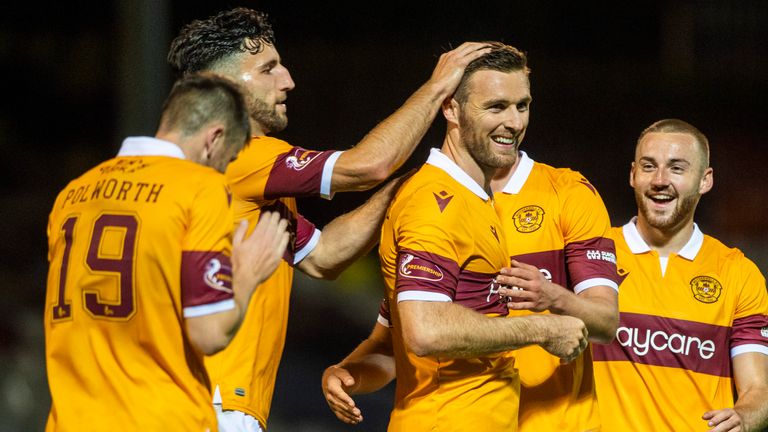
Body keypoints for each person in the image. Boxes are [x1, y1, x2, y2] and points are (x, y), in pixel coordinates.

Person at [167, 7, 491, 431]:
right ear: (220, 85)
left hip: (211, 400)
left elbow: (324, 256)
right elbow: (367, 166)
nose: (288, 80)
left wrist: (410, 186)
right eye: (268, 69)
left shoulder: (233, 180)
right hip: (212, 402)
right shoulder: (240, 152)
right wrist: (436, 88)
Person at [322, 44, 621, 431]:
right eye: (495, 107)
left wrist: (350, 374)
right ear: (450, 108)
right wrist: (543, 328)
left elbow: (400, 335)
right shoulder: (434, 200)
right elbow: (424, 330)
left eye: (522, 106)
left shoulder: (487, 199)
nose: (513, 122)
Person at [44, 73, 290, 431]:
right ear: (214, 139)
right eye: (227, 159)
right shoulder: (199, 188)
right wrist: (248, 273)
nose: (224, 170)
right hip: (162, 416)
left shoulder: (72, 194)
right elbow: (208, 333)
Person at [591, 119, 768, 431]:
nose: (660, 180)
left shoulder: (737, 273)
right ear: (632, 174)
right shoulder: (591, 255)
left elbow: (758, 390)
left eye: (676, 168)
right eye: (649, 166)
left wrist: (744, 417)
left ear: (705, 180)